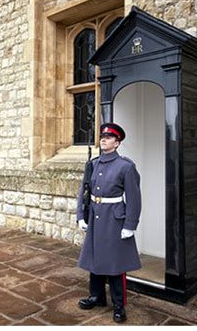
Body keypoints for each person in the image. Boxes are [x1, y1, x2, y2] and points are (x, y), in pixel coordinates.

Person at [76, 122, 141, 323]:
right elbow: (83, 191)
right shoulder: (93, 164)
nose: (103, 139)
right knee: (95, 258)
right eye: (102, 137)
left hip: (114, 218)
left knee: (115, 263)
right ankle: (97, 297)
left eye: (109, 137)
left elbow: (134, 198)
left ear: (117, 143)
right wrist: (80, 215)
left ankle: (119, 305)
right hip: (95, 216)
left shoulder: (126, 166)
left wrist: (130, 225)